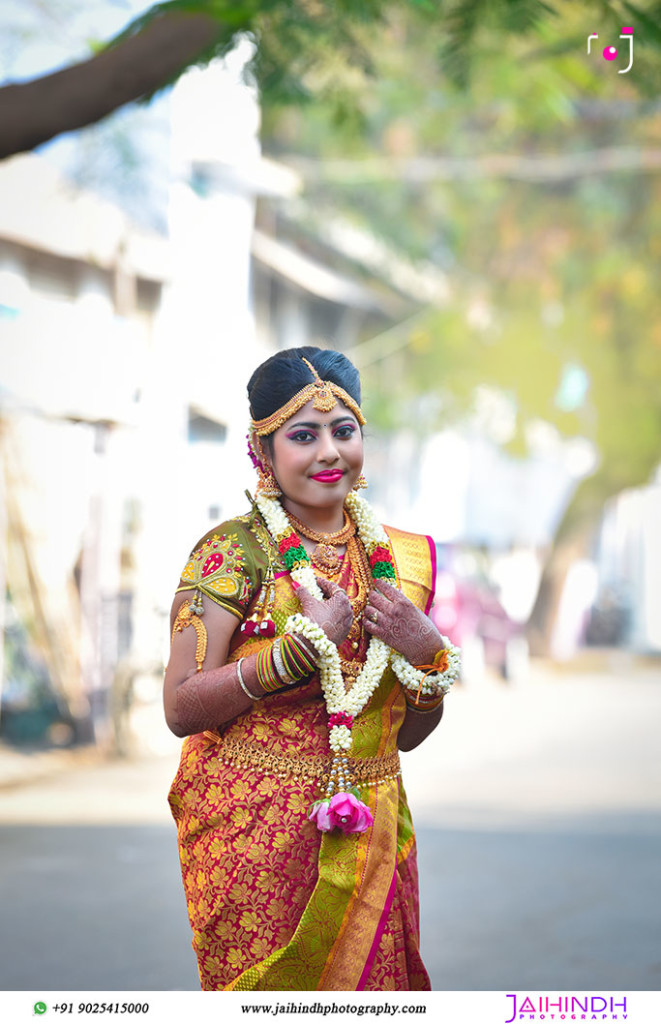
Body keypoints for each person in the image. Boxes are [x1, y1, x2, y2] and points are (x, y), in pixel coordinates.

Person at [164, 346, 460, 992]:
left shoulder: (400, 561)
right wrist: (288, 659)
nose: (328, 452)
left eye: (343, 431)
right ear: (261, 453)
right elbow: (180, 706)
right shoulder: (229, 555)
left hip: (372, 833)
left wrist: (425, 652)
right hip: (253, 844)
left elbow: (403, 733)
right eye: (303, 435)